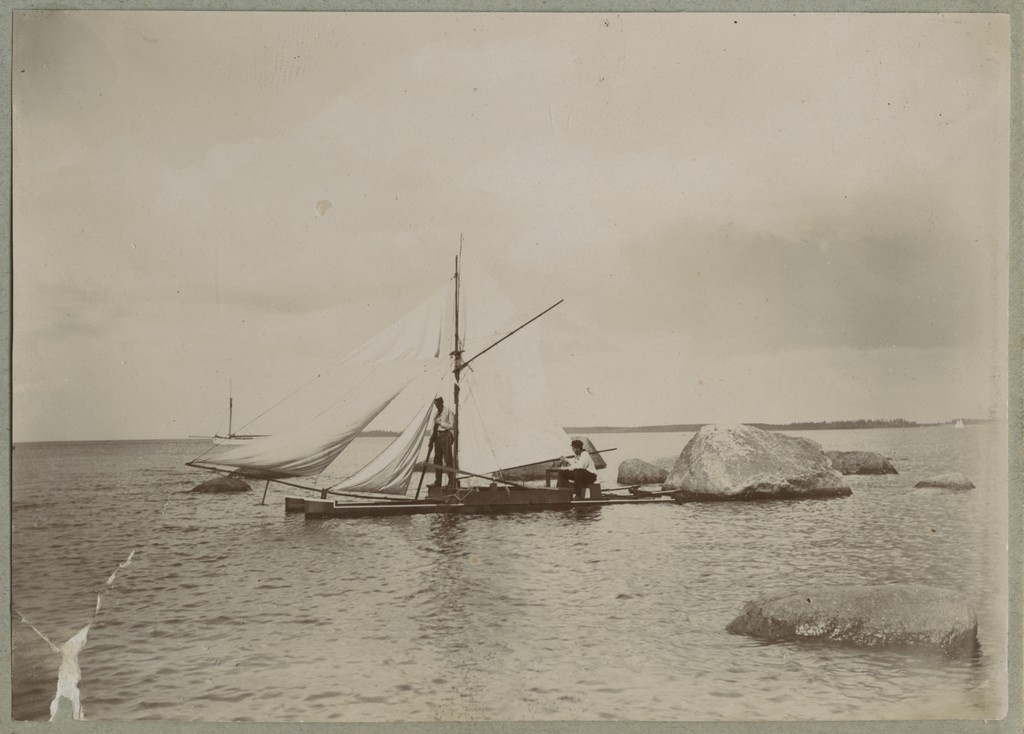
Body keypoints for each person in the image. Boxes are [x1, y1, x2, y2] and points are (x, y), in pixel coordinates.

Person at [431, 396, 455, 488]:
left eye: (438, 404)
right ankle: (438, 482)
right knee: (437, 460)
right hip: (437, 437)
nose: (437, 406)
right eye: (435, 404)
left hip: (445, 436)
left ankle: (451, 482)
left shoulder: (448, 412)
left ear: (442, 403)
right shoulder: (436, 413)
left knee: (448, 460)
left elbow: (451, 426)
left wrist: (441, 423)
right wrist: (431, 439)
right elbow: (433, 426)